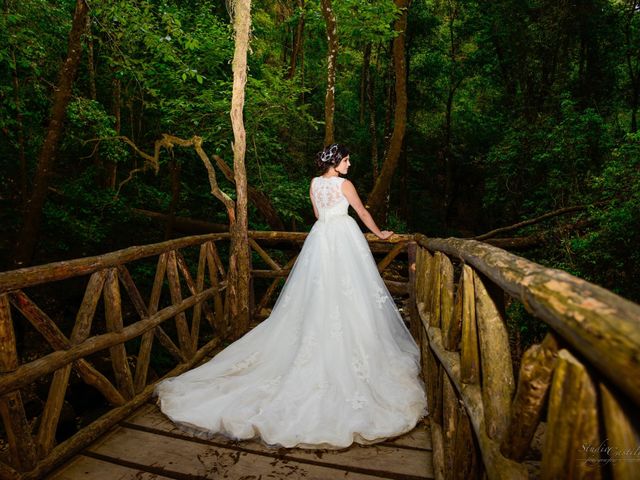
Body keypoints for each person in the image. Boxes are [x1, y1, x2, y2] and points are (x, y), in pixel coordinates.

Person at [155, 144, 428, 449]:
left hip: (321, 238)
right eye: (347, 160)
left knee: (317, 294)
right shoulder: (345, 184)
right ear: (336, 163)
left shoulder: (313, 183)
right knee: (351, 294)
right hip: (344, 238)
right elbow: (362, 211)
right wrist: (379, 234)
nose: (350, 165)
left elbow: (316, 213)